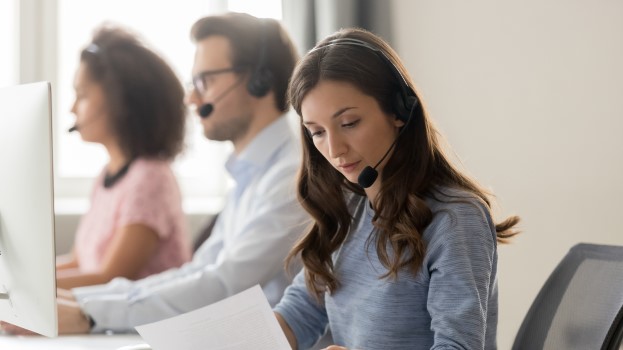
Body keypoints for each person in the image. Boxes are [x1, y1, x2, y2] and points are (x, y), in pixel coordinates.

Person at [0, 12, 306, 336]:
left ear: (260, 80)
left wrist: (88, 311)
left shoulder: (292, 177)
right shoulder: (251, 176)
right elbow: (200, 271)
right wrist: (78, 301)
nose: (192, 98)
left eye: (207, 80)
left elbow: (225, 284)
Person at [273, 28, 521, 350]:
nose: (334, 149)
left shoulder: (455, 219)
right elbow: (300, 314)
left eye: (349, 123)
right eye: (317, 132)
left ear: (398, 111)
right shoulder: (350, 208)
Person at [55, 26, 191, 290]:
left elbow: (110, 278)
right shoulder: (108, 174)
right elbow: (79, 262)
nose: (72, 108)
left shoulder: (151, 178)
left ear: (121, 101)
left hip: (138, 327)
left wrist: (28, 289)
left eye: (82, 95)